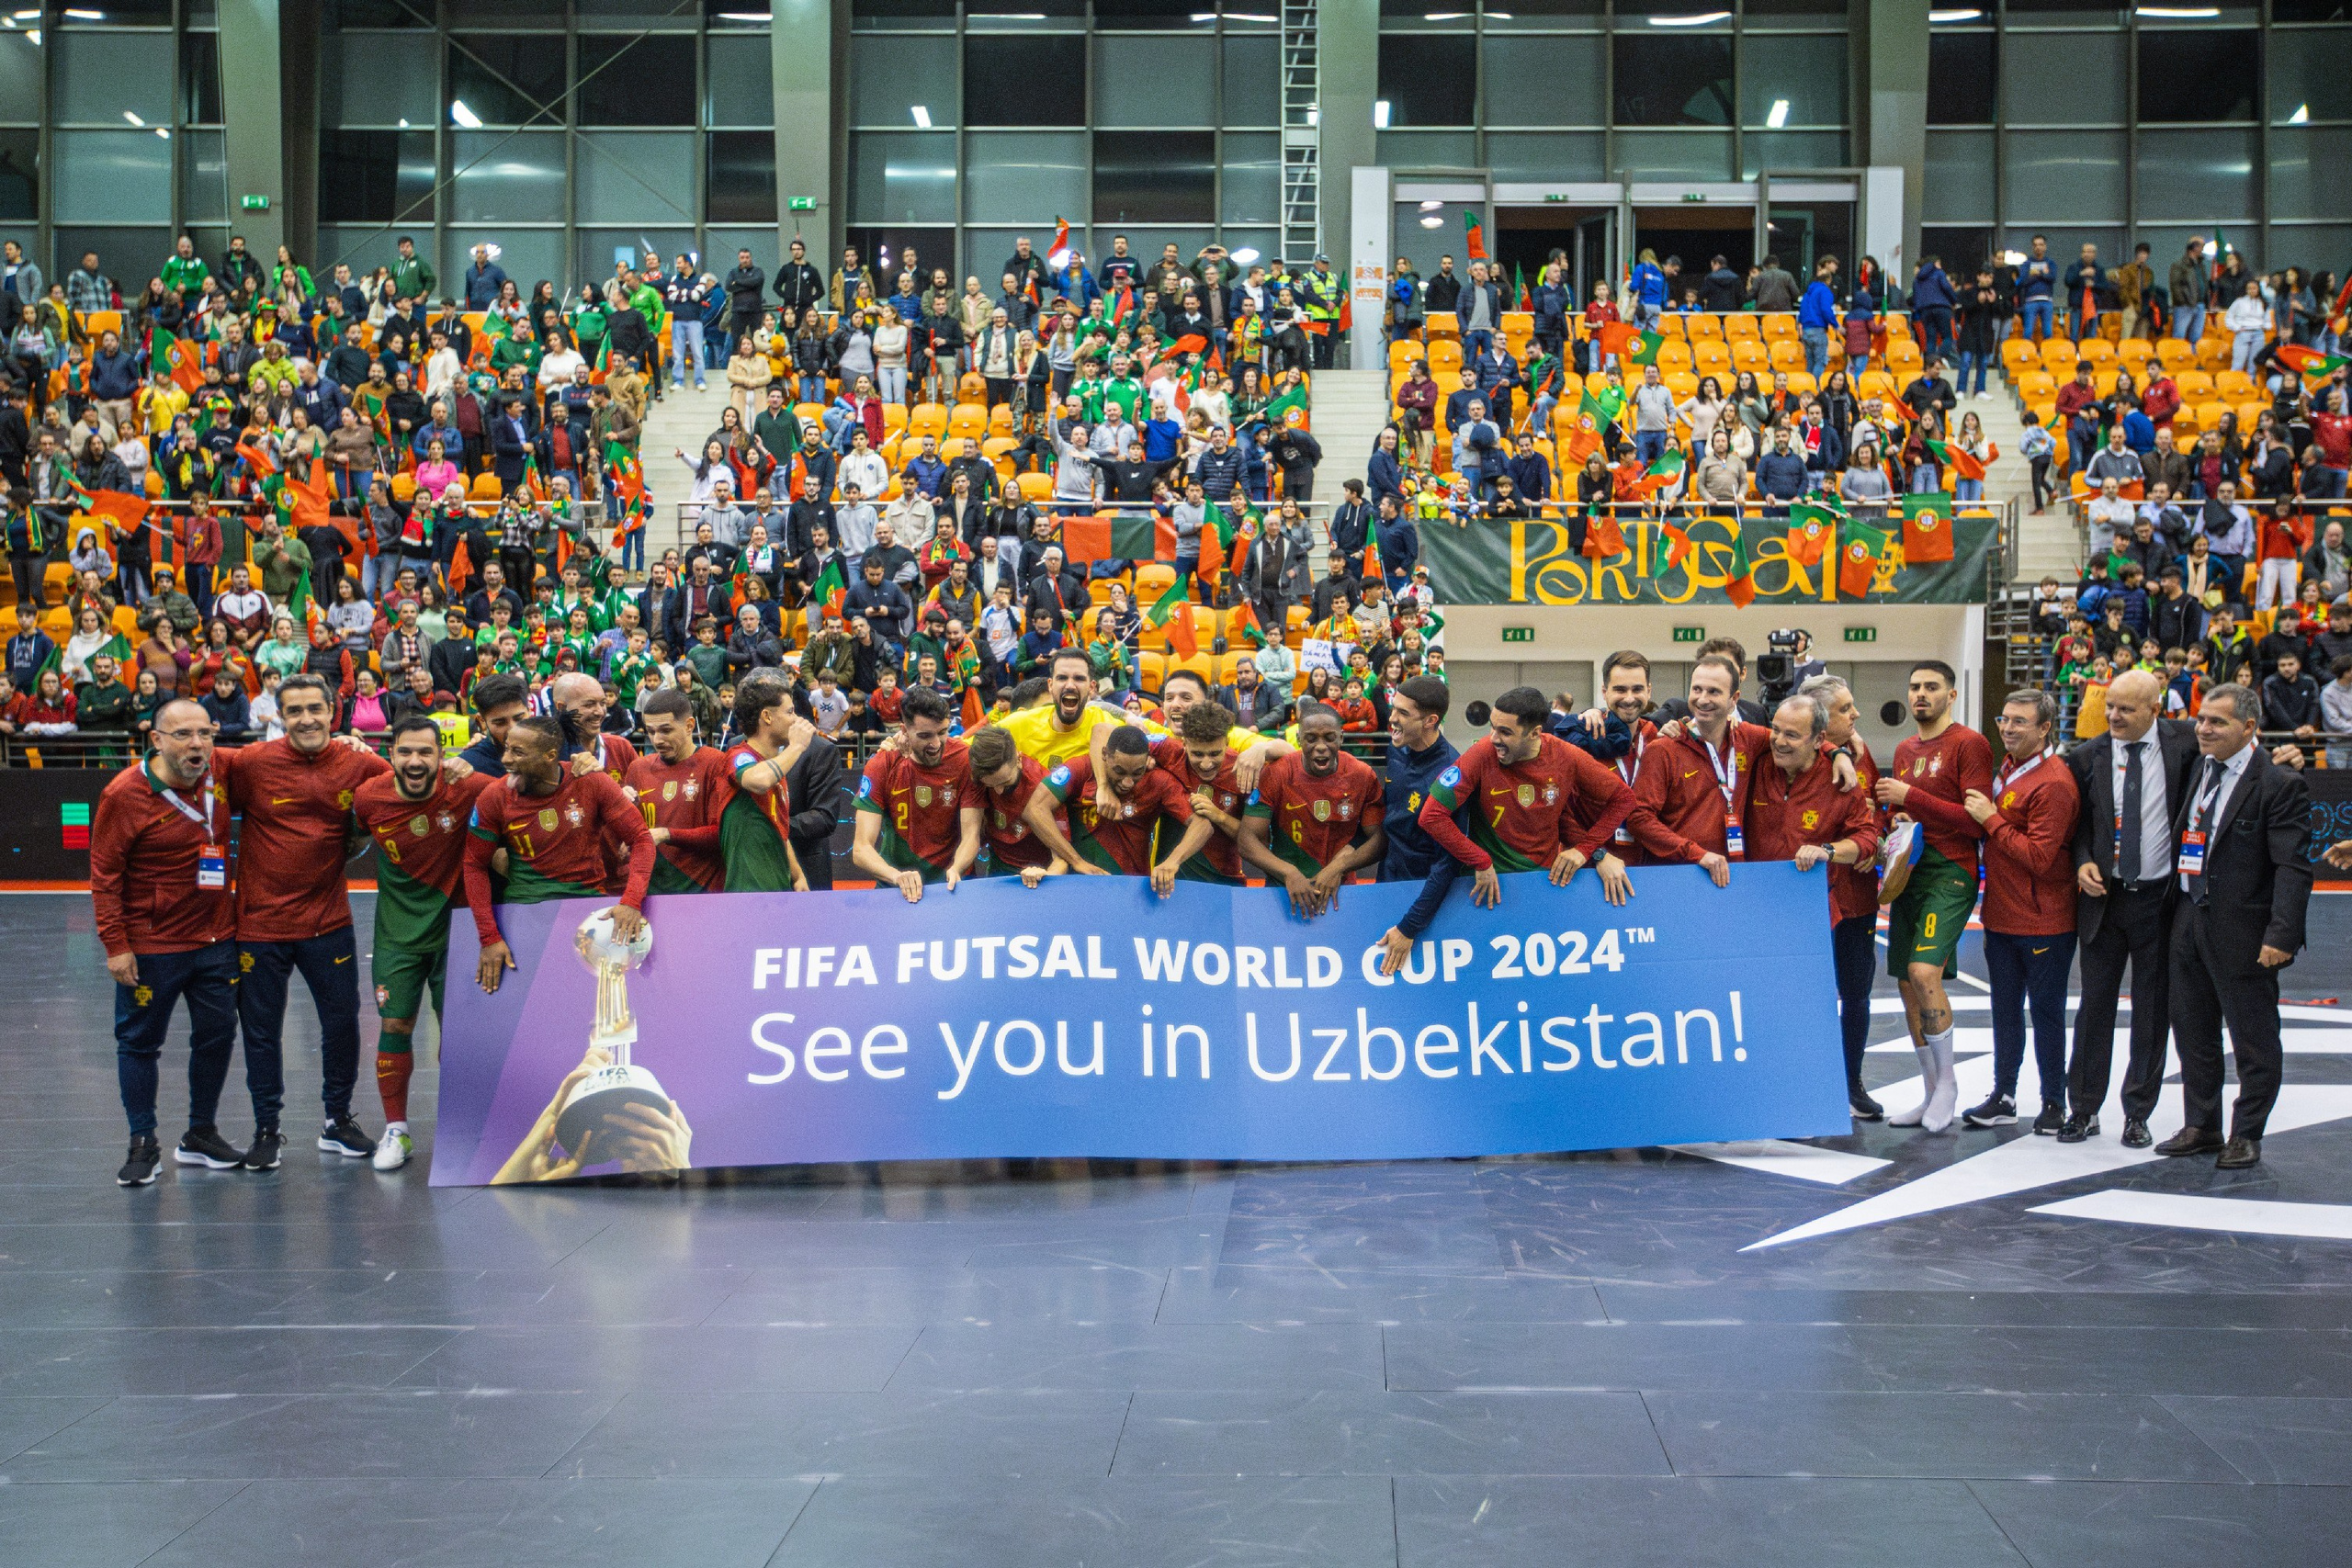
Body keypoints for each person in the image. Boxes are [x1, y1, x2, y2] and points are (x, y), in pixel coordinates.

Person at [219, 673, 393, 1170]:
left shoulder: (359, 761)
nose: (306, 719)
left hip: (328, 921)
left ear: (333, 713)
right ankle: (266, 1128)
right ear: (279, 715)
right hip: (259, 926)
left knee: (341, 1026)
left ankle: (337, 1120)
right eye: (294, 711)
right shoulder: (250, 764)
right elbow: (189, 774)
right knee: (261, 1031)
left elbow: (407, 778)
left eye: (315, 709)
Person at [90, 696, 247, 1184]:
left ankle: (200, 1132)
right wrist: (116, 945)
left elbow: (284, 754)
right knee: (139, 1043)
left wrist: (346, 741)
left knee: (217, 1036)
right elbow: (104, 874)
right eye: (183, 735)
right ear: (155, 740)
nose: (197, 744)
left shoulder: (218, 769)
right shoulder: (123, 794)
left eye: (205, 733)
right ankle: (143, 1142)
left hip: (216, 940)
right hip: (152, 948)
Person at [2160, 683, 2312, 1169]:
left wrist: (2282, 933)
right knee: (2193, 1031)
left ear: (2249, 728)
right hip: (2187, 917)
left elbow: (2293, 866)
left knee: (2253, 1037)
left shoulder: (2279, 783)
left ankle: (2247, 1131)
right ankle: (2202, 1124)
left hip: (2245, 930)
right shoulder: (2196, 765)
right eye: (2201, 719)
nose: (2203, 728)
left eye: (2217, 723)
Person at [1395, 685, 1635, 970]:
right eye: (1493, 727)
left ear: (1535, 733)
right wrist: (1480, 860)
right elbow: (1431, 816)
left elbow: (1624, 799)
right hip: (1483, 890)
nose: (1494, 738)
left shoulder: (1567, 757)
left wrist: (1585, 850)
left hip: (1542, 888)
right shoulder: (1482, 753)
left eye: (1505, 733)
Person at [347, 715, 492, 1171]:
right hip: (397, 936)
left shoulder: (469, 788)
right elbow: (348, 838)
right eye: (405, 751)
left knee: (461, 1032)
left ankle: (463, 1125)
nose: (415, 760)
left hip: (458, 932)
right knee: (396, 1027)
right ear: (390, 755)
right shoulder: (369, 797)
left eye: (425, 752)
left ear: (442, 756)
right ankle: (397, 1130)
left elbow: (532, 784)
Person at [2059, 669, 2198, 1145]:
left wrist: (2278, 754)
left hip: (2160, 902)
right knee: (2093, 1009)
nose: (2112, 716)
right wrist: (2081, 863)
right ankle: (2083, 1109)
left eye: (2125, 709)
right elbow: (2076, 826)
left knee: (2152, 1012)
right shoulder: (2085, 756)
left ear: (2156, 711)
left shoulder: (2187, 744)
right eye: (2109, 706)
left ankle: (2138, 1112)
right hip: (2105, 901)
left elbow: (2237, 751)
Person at [1871, 660, 1998, 1133]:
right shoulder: (1904, 747)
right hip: (1911, 873)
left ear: (1952, 694)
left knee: (1926, 972)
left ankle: (1948, 1084)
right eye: (1914, 687)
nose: (1920, 694)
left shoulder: (1971, 744)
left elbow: (1973, 821)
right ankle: (1929, 1092)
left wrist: (1910, 796)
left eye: (1931, 687)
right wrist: (1898, 820)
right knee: (1906, 981)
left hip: (1952, 871)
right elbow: (1912, 814)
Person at [1743, 689, 1883, 1115]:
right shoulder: (1757, 760)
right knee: (1776, 1004)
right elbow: (1710, 721)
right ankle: (1779, 1091)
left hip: (1823, 910)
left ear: (1817, 738)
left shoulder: (1840, 779)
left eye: (1793, 735)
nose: (1780, 741)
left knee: (1837, 997)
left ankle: (1846, 1085)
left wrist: (1827, 849)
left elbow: (1866, 837)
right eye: (1777, 731)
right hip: (1760, 910)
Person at [464, 713, 657, 996]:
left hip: (587, 914)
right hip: (525, 915)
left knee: (589, 1013)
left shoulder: (591, 782)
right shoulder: (495, 796)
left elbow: (641, 839)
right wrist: (489, 937)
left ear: (549, 755)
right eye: (507, 748)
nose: (505, 760)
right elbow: (473, 865)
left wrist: (630, 902)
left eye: (518, 752)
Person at [1959, 689, 2081, 1134]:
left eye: (2019, 722)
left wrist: (1991, 819)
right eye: (2003, 718)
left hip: (2044, 920)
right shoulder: (2007, 770)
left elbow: (2041, 857)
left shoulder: (2053, 782)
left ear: (2045, 728)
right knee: (2004, 1010)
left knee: (2046, 1013)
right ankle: (2004, 1095)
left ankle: (2054, 1103)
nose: (2007, 728)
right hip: (2002, 916)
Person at [1238, 705, 1386, 917]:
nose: (1321, 747)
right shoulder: (1277, 773)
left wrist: (1339, 868)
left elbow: (1379, 838)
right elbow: (1246, 839)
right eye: (1311, 738)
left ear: (1341, 738)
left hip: (1342, 891)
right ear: (1298, 739)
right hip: (1283, 890)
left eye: (1329, 738)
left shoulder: (1362, 775)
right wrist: (1288, 873)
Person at [1032, 723, 1214, 893]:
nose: (1127, 782)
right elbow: (1035, 808)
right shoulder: (1081, 769)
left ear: (1148, 761)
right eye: (1119, 772)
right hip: (1078, 886)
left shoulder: (1159, 782)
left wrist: (1173, 861)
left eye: (1137, 773)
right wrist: (1075, 860)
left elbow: (1203, 825)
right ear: (1104, 754)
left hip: (1132, 889)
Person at [850, 686, 985, 900]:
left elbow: (971, 835)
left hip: (953, 885)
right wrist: (897, 877)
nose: (935, 744)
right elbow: (861, 849)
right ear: (903, 730)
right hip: (895, 888)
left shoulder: (964, 760)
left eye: (942, 732)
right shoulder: (882, 764)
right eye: (925, 736)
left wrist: (957, 869)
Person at [622, 688, 735, 894]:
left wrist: (666, 834)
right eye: (651, 731)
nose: (657, 740)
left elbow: (721, 834)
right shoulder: (638, 769)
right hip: (652, 893)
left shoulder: (715, 762)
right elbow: (630, 838)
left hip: (702, 892)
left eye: (666, 730)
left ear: (689, 725)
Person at [721, 669, 815, 893]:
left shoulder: (776, 766)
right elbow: (759, 780)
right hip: (747, 893)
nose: (796, 719)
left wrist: (797, 874)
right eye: (790, 712)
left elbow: (779, 828)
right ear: (767, 717)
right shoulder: (739, 755)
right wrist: (797, 746)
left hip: (777, 890)